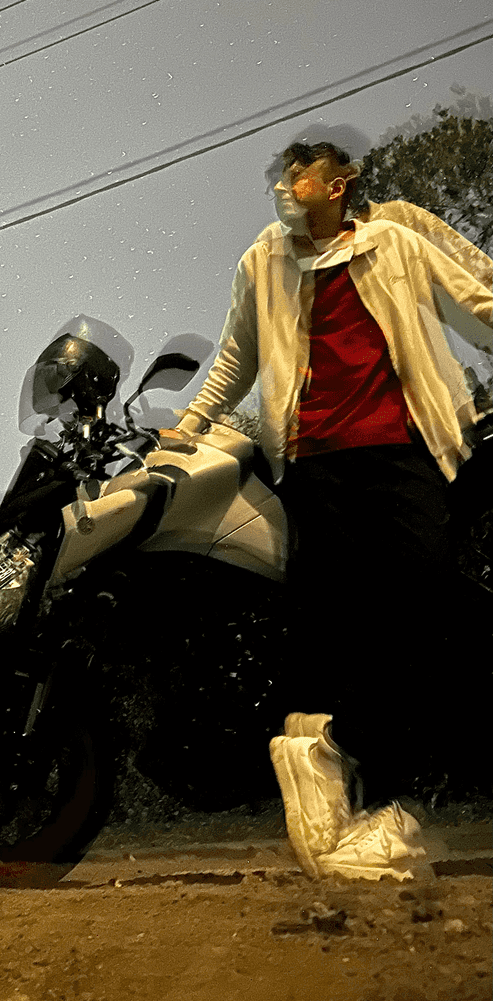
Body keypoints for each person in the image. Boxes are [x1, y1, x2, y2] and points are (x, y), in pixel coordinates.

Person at [159, 140, 491, 880]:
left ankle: (336, 749)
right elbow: (235, 363)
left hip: (404, 448)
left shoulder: (394, 244)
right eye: (282, 176)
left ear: (339, 185)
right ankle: (386, 815)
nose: (286, 186)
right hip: (313, 464)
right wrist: (185, 428)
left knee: (425, 597)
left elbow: (475, 300)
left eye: (301, 175)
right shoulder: (262, 263)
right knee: (353, 630)